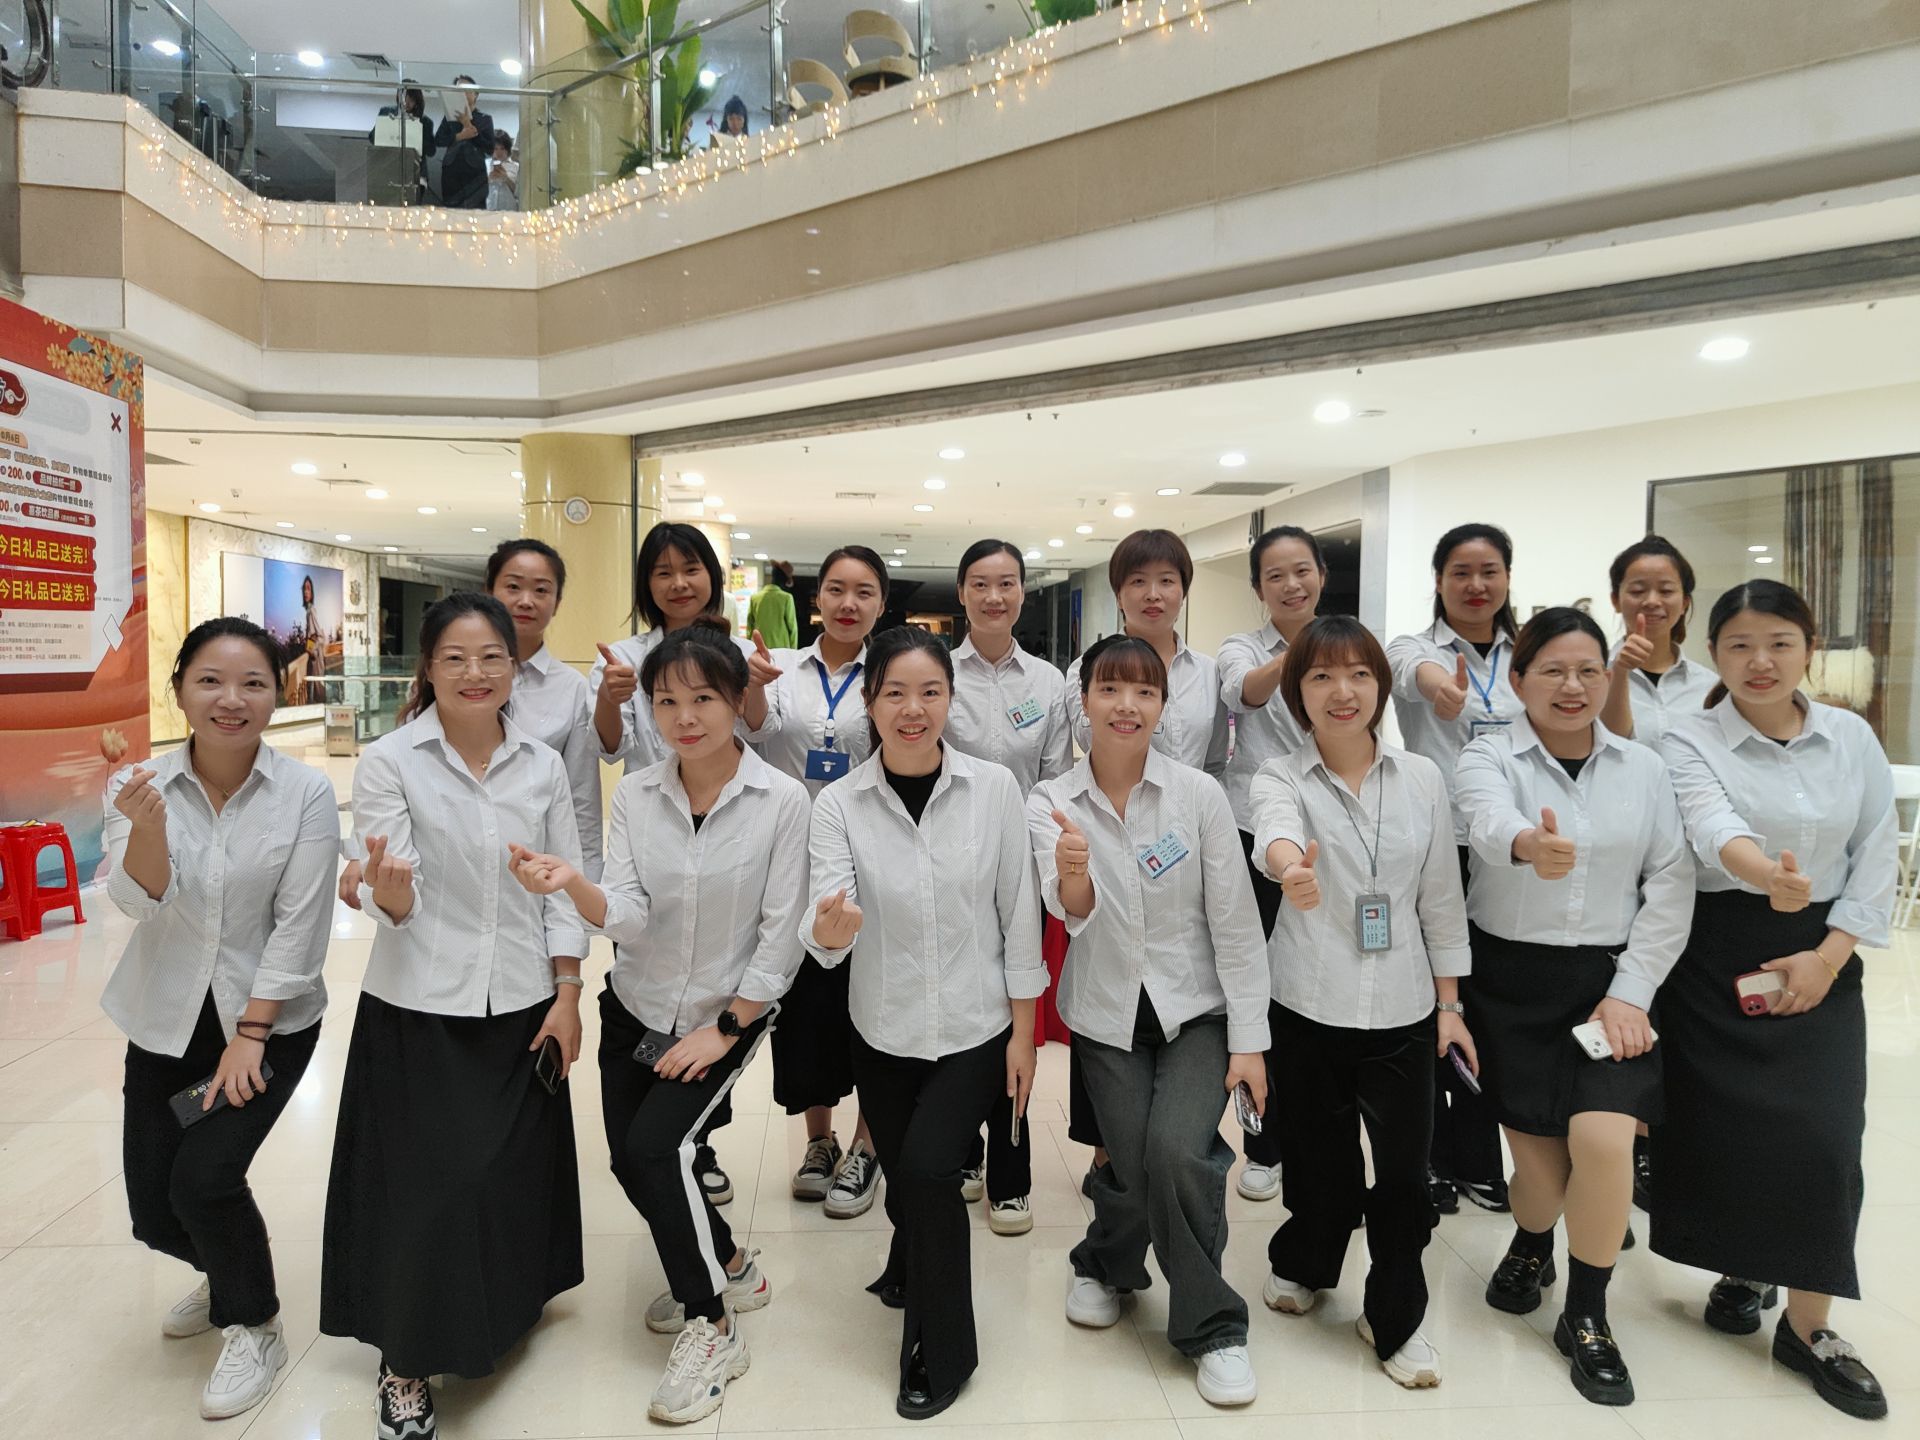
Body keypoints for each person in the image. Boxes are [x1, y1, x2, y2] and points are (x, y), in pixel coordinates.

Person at [504, 621, 810, 1425]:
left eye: (703, 698)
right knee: (631, 1163)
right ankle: (731, 1261)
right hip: (635, 1004)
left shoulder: (782, 800)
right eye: (666, 702)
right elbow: (631, 914)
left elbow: (782, 932)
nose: (685, 717)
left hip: (725, 1014)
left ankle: (713, 1325)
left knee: (657, 1150)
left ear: (737, 699)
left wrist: (728, 1029)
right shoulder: (638, 795)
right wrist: (574, 884)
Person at [320, 592, 587, 1440]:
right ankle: (403, 1364)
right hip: (419, 1008)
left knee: (508, 1176)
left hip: (523, 1001)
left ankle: (502, 1313)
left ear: (515, 667)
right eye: (455, 659)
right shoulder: (391, 760)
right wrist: (390, 896)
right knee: (427, 1191)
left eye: (492, 658)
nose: (476, 673)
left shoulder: (541, 766)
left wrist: (569, 992)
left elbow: (563, 888)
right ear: (427, 669)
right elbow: (388, 888)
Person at [1653, 579, 1896, 1421]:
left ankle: (1809, 1325)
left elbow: (1876, 850)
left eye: (1781, 643)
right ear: (1712, 654)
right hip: (1718, 950)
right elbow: (1709, 822)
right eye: (1740, 646)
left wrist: (1828, 957)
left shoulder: (1849, 736)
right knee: (1730, 1130)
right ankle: (1745, 1266)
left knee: (1826, 1135)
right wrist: (1765, 874)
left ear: (1809, 649)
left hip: (1823, 951)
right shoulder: (1688, 736)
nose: (1761, 662)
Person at [1453, 607, 1693, 1406]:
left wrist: (1631, 992)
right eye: (1552, 669)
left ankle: (1586, 1314)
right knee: (1543, 1178)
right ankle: (1532, 1240)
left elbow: (1671, 884)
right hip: (1509, 986)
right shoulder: (1489, 754)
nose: (1573, 685)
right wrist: (1530, 844)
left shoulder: (1643, 768)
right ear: (1518, 679)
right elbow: (1487, 819)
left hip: (1609, 988)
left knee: (1603, 1141)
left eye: (1590, 670)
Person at [802, 626, 1043, 1420]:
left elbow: (1019, 913)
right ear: (870, 703)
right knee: (908, 1175)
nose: (913, 709)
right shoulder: (839, 803)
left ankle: (942, 1351)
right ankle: (908, 1261)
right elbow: (828, 915)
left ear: (950, 700)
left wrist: (1023, 1034)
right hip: (884, 1026)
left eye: (930, 692)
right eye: (895, 693)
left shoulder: (994, 791)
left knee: (932, 1172)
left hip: (975, 1026)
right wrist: (828, 930)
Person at [101, 618, 337, 1422]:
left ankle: (253, 1322)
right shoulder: (139, 785)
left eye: (252, 683)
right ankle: (223, 1272)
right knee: (153, 1208)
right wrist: (148, 829)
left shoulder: (305, 793)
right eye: (209, 681)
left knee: (204, 1179)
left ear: (277, 695)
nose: (230, 699)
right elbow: (137, 902)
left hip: (268, 1020)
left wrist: (252, 1035)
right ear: (179, 691)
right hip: (166, 1018)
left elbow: (301, 928)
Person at [1031, 635, 1269, 1409]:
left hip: (1197, 1009)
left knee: (1176, 1151)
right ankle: (1107, 1263)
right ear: (1083, 703)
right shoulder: (1052, 802)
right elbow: (1069, 910)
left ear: (1163, 706)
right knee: (1132, 1159)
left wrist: (1250, 1041)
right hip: (1106, 1012)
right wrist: (1073, 875)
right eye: (1109, 689)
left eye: (1144, 691)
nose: (1126, 706)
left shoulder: (1197, 795)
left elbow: (1234, 922)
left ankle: (1213, 1326)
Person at [1252, 615, 1473, 1391]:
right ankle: (1307, 1260)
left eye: (1358, 674)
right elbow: (1274, 834)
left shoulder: (1423, 780)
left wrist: (1451, 1004)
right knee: (1321, 1163)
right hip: (1307, 1003)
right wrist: (1289, 869)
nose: (1341, 691)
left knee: (1406, 1175)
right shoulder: (1281, 775)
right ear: (1298, 694)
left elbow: (1441, 896)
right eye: (1321, 677)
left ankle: (1396, 1313)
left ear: (1381, 686)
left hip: (1403, 1007)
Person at [1060, 528, 1229, 1182]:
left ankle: (1160, 1151)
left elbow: (1218, 757)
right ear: (1119, 592)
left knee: (1185, 975)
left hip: (1189, 831)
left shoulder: (1208, 672)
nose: (1153, 594)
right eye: (1138, 581)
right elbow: (1084, 753)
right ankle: (1111, 1155)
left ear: (1184, 589)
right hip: (1108, 832)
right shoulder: (1089, 667)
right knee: (1107, 985)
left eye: (1167, 581)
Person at [748, 544, 890, 1216]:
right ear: (817, 598)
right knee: (806, 1011)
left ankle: (867, 1144)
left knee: (872, 1004)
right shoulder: (781, 670)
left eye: (863, 592)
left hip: (874, 859)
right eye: (836, 589)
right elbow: (758, 729)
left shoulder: (889, 671)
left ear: (881, 604)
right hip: (795, 862)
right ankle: (819, 1139)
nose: (848, 604)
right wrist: (752, 685)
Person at [1387, 522, 1522, 1215]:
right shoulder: (1415, 647)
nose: (1475, 585)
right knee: (1430, 1003)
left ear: (1507, 578)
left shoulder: (1528, 655)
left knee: (1486, 1003)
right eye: (1460, 573)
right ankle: (1431, 1158)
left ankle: (1479, 1157)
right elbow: (1420, 680)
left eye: (1489, 571)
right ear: (1438, 581)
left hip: (1510, 850)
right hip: (1437, 847)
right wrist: (1446, 690)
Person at [943, 538, 1070, 1236]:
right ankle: (962, 1150)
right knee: (961, 1010)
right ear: (962, 592)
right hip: (948, 863)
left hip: (1020, 867)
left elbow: (1052, 781)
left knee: (1016, 1013)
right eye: (981, 583)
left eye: (1008, 583)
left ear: (1023, 591)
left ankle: (1010, 1172)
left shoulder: (1048, 683)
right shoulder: (938, 672)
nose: (995, 596)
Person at [1214, 524, 1324, 1202]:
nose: (1291, 584)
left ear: (1321, 576)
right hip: (1255, 837)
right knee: (1257, 990)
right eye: (1275, 575)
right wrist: (1306, 656)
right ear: (1257, 587)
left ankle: (1318, 1140)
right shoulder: (1243, 647)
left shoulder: (1347, 641)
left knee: (1317, 990)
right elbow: (1243, 693)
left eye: (1302, 570)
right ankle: (1262, 1144)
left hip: (1330, 839)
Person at [592, 522, 768, 780]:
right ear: (646, 584)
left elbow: (760, 733)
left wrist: (756, 685)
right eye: (664, 573)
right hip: (651, 796)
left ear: (712, 574)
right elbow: (610, 750)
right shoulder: (623, 659)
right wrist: (608, 699)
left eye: (691, 570)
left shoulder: (745, 653)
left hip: (734, 794)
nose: (679, 583)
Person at [1600, 535, 1714, 747]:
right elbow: (1607, 746)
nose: (1652, 601)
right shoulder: (1592, 675)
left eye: (1666, 591)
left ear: (1684, 603)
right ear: (1615, 600)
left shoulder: (1709, 686)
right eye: (1637, 591)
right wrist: (1620, 671)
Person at [434, 76, 496, 208]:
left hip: (475, 174)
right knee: (451, 211)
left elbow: (489, 148)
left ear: (476, 94)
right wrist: (459, 136)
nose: (462, 94)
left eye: (466, 90)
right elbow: (438, 140)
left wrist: (467, 123)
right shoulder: (449, 118)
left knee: (476, 212)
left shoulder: (485, 119)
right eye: (458, 91)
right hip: (451, 172)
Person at [368, 85, 436, 200]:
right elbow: (372, 138)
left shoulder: (425, 121)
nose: (406, 102)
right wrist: (390, 125)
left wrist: (416, 128)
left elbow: (431, 151)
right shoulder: (387, 113)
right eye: (404, 97)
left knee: (412, 205)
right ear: (398, 97)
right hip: (388, 169)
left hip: (415, 172)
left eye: (411, 99)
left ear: (417, 101)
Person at [747, 559, 798, 650]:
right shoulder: (787, 598)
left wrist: (748, 647)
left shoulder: (755, 598)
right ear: (785, 580)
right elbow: (792, 628)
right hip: (782, 650)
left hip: (758, 648)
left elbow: (749, 626)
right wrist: (793, 651)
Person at [484, 130, 519, 211]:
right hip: (488, 210)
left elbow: (520, 193)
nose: (498, 152)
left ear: (507, 149)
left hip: (509, 211)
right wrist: (488, 179)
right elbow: (476, 190)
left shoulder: (516, 167)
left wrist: (506, 179)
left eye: (502, 148)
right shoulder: (485, 165)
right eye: (495, 148)